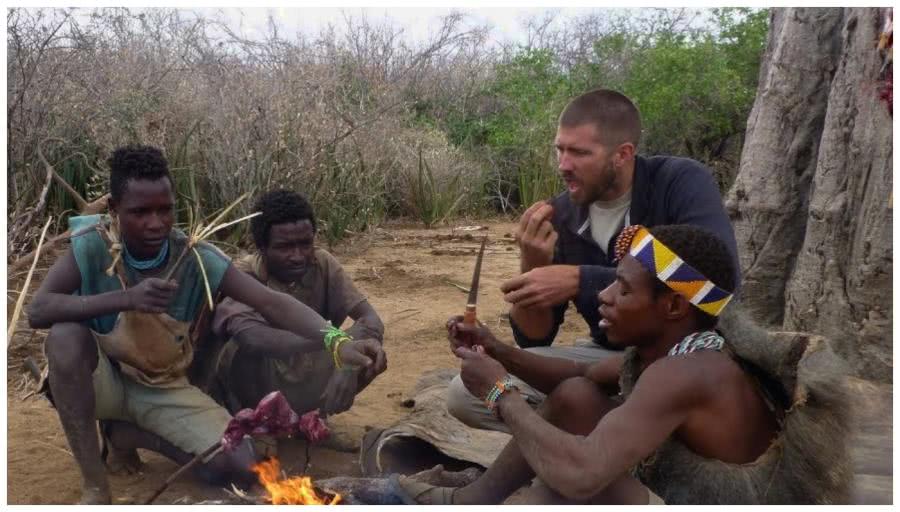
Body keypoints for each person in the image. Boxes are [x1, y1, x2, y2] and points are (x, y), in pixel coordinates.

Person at [27, 145, 385, 504]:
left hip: (162, 387)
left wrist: (336, 341)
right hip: (101, 381)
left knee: (238, 465)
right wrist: (127, 298)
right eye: (140, 212)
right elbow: (39, 310)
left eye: (165, 210)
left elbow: (271, 303)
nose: (156, 223)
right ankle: (95, 486)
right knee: (65, 337)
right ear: (115, 210)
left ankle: (126, 435)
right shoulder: (92, 245)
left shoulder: (196, 255)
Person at [397, 224, 851, 504]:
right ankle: (477, 498)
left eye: (624, 290)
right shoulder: (679, 351)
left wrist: (500, 394)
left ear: (673, 307)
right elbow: (579, 376)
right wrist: (497, 349)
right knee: (576, 396)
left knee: (571, 489)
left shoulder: (688, 373)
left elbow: (580, 475)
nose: (604, 296)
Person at [447, 88, 741, 432]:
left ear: (623, 154)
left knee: (575, 400)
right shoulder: (561, 213)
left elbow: (716, 288)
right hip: (606, 362)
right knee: (462, 394)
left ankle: (596, 438)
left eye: (579, 153)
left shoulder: (679, 181)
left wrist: (579, 279)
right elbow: (534, 339)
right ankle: (618, 434)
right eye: (560, 149)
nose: (563, 165)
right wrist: (534, 265)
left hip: (688, 358)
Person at [205, 189, 386, 419]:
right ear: (261, 246)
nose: (298, 256)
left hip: (306, 371)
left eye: (305, 244)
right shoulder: (245, 276)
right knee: (243, 350)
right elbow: (253, 338)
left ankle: (311, 420)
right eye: (285, 247)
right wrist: (333, 344)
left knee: (370, 345)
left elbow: (371, 320)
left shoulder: (322, 264)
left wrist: (347, 365)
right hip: (259, 379)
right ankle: (259, 423)